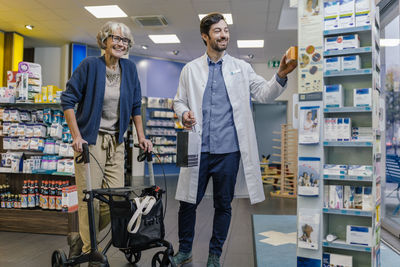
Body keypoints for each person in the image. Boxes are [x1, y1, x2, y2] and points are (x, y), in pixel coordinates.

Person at [172, 13, 297, 267]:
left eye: (226, 30)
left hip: (229, 152)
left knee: (223, 205)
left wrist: (280, 75)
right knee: (187, 202)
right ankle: (185, 250)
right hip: (198, 150)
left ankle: (215, 255)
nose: (224, 35)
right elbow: (179, 100)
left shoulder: (242, 68)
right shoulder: (190, 69)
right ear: (205, 36)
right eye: (218, 31)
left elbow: (263, 93)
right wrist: (183, 112)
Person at [61, 21, 152, 264]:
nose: (121, 43)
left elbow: (135, 106)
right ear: (104, 40)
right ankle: (92, 254)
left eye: (125, 40)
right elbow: (67, 100)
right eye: (116, 38)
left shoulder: (130, 69)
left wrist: (141, 136)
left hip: (117, 143)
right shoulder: (90, 65)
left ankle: (79, 240)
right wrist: (76, 135)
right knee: (89, 200)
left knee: (115, 202)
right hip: (90, 142)